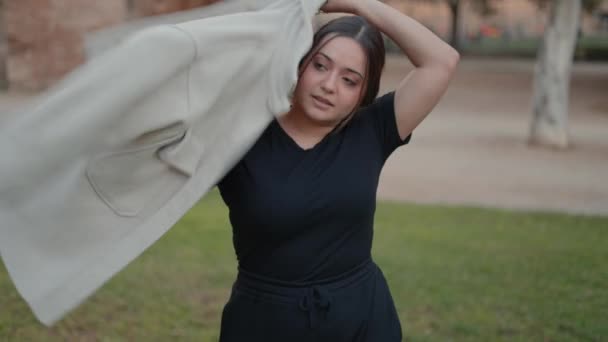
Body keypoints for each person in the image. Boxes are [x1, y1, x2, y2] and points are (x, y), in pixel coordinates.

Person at [216, 0, 459, 340]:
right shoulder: (242, 134)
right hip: (265, 321)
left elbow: (442, 61)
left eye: (349, 80)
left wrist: (358, 5)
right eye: (320, 65)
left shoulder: (373, 129)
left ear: (363, 93)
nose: (329, 85)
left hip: (362, 319)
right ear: (300, 64)